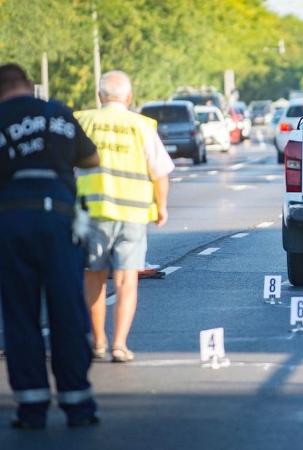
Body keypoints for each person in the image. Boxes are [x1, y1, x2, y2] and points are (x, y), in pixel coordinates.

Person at [0, 63, 100, 428]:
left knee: (20, 315)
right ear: (29, 84)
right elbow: (92, 158)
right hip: (59, 219)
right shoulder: (57, 112)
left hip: (11, 222)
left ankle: (31, 408)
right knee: (67, 311)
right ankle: (78, 404)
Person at [76, 71, 174, 363]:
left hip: (91, 212)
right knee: (126, 280)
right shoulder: (141, 125)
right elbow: (160, 173)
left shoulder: (83, 121)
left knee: (93, 277)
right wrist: (161, 206)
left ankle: (98, 342)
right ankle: (119, 344)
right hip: (132, 213)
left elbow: (66, 167)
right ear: (129, 98)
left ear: (99, 96)